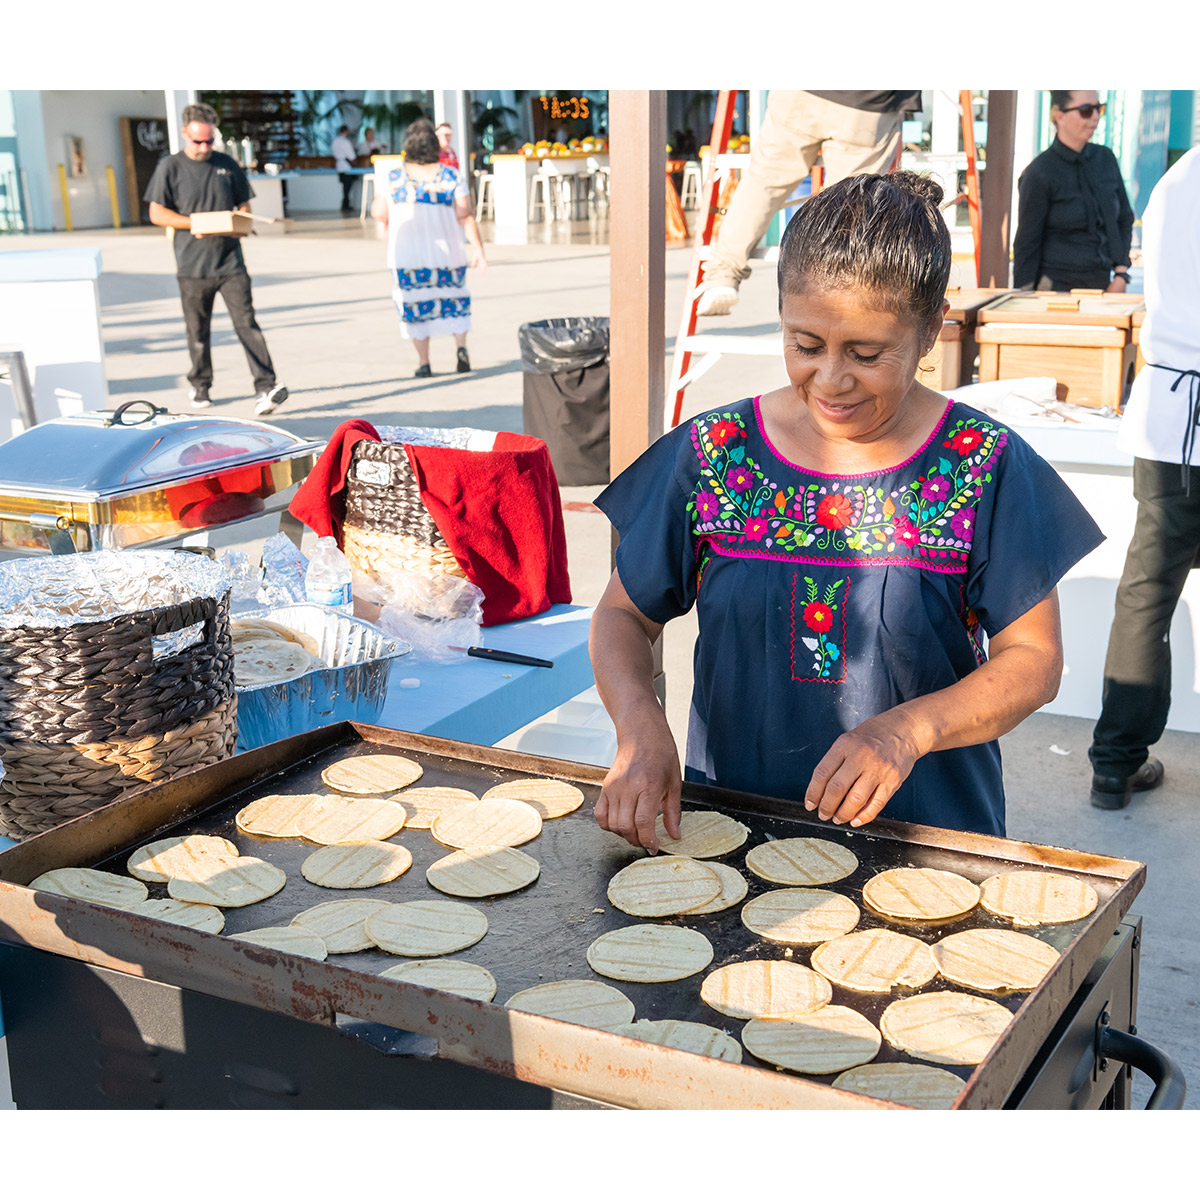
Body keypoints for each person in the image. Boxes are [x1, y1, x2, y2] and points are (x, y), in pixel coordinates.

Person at [590, 171, 1105, 852]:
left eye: (865, 354)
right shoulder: (714, 454)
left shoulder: (983, 464)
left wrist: (908, 730)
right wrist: (639, 725)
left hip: (926, 842)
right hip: (731, 836)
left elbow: (1033, 660)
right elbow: (623, 615)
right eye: (805, 345)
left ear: (930, 332)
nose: (831, 380)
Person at [1087, 146, 1200, 809]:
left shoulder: (1178, 178)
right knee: (1148, 593)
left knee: (1147, 593)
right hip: (1177, 408)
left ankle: (1115, 763)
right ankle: (1117, 760)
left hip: (1171, 417)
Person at [696, 90, 921, 318]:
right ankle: (832, 293)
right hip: (867, 102)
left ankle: (723, 276)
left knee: (764, 183)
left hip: (800, 93)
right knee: (850, 200)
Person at [144, 102, 288, 415]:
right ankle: (200, 385)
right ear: (185, 134)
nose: (205, 147)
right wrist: (196, 223)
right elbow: (157, 213)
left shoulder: (227, 164)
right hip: (192, 266)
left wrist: (240, 223)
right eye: (198, 141)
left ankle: (266, 387)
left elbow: (244, 205)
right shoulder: (170, 167)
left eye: (210, 140)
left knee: (247, 323)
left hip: (231, 264)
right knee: (198, 331)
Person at [370, 118, 486, 378]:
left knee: (415, 306)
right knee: (455, 301)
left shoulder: (394, 177)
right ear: (435, 146)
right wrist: (478, 249)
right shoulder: (451, 176)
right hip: (448, 253)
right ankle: (461, 349)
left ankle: (424, 362)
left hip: (408, 256)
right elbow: (465, 214)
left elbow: (378, 212)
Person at [1012, 91, 1134, 293]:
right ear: (1059, 116)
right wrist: (1023, 299)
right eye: (1086, 110)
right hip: (1054, 292)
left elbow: (1124, 218)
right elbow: (1027, 244)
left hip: (1104, 289)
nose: (1095, 116)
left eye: (1099, 108)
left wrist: (1121, 274)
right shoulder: (1039, 172)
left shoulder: (1105, 158)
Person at [332, 123, 357, 213]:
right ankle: (345, 205)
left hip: (339, 166)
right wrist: (354, 162)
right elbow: (352, 156)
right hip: (346, 166)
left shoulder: (335, 141)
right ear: (346, 131)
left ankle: (345, 204)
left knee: (345, 187)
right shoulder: (346, 142)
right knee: (347, 187)